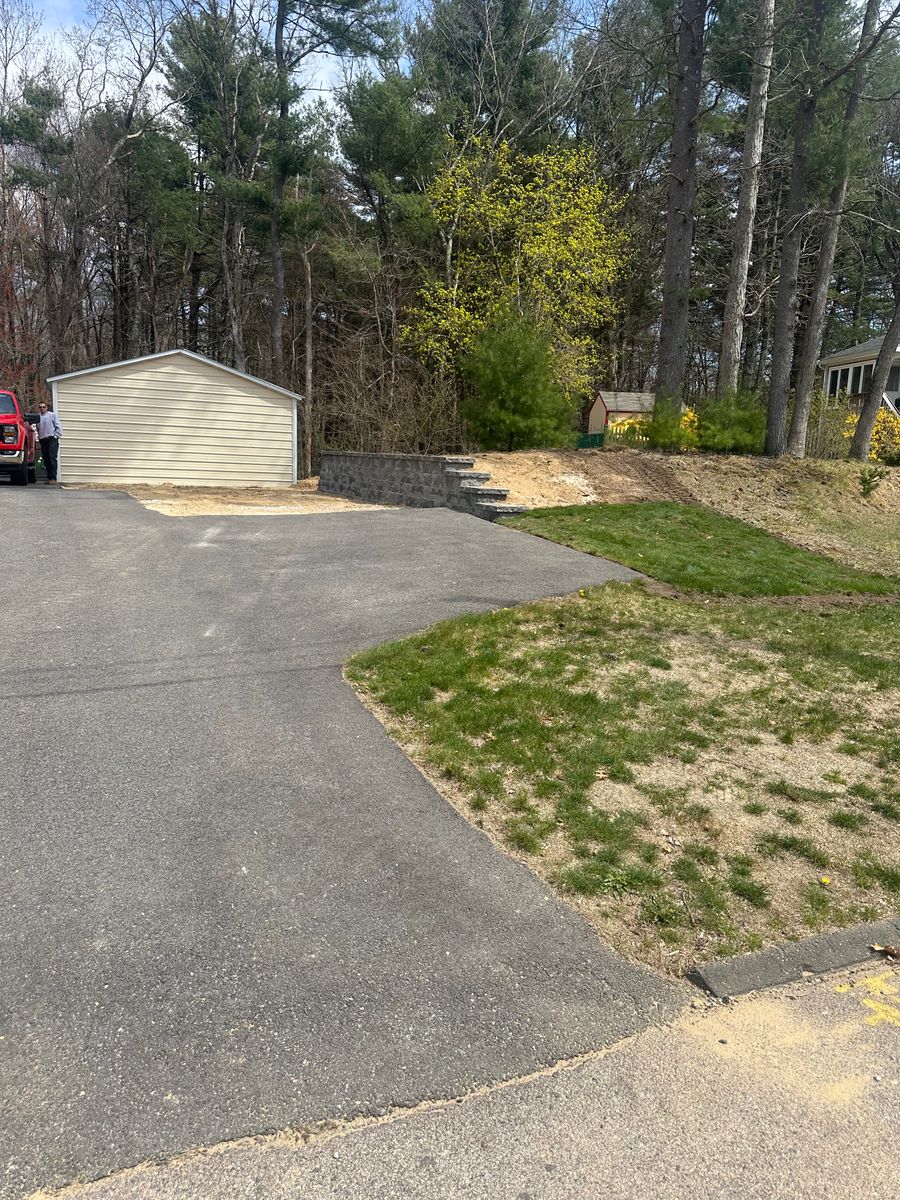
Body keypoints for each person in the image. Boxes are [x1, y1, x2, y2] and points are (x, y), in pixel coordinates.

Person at [37, 400, 62, 484]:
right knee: (46, 458)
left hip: (51, 438)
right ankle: (49, 478)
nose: (42, 408)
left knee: (52, 458)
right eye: (40, 407)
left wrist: (56, 436)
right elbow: (35, 427)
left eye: (44, 407)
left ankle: (53, 478)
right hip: (42, 439)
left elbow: (58, 426)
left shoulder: (52, 415)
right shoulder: (38, 416)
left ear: (46, 408)